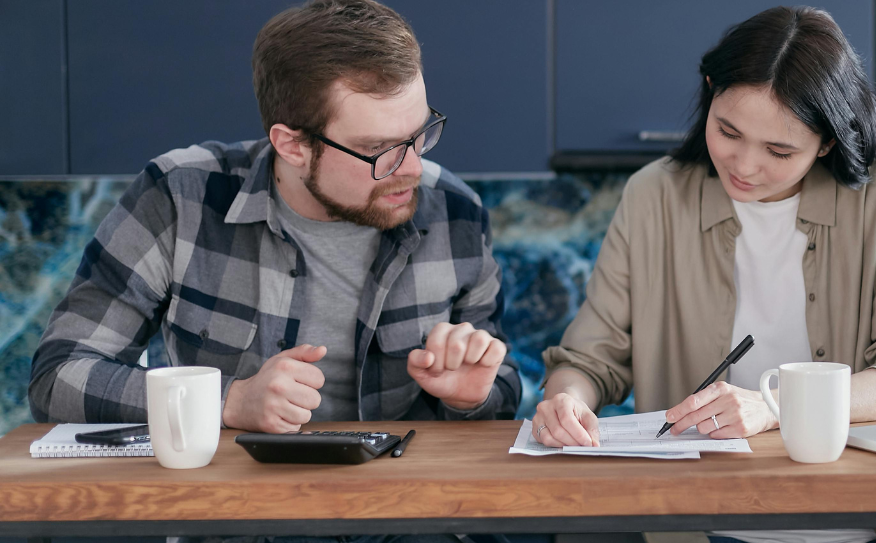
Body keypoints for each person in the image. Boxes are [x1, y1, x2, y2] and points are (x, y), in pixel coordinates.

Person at [534, 7, 876, 543]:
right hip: (699, 525)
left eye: (779, 150)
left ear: (826, 141)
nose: (745, 166)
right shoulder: (654, 197)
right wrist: (566, 400)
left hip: (863, 525)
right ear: (710, 91)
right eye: (728, 130)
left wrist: (777, 407)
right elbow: (590, 359)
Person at [29, 0, 520, 439]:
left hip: (407, 513)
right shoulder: (179, 198)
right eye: (380, 150)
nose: (413, 167)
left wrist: (471, 395)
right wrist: (230, 402)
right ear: (293, 145)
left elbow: (500, 395)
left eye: (419, 135)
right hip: (240, 517)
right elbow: (57, 378)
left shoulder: (454, 212)